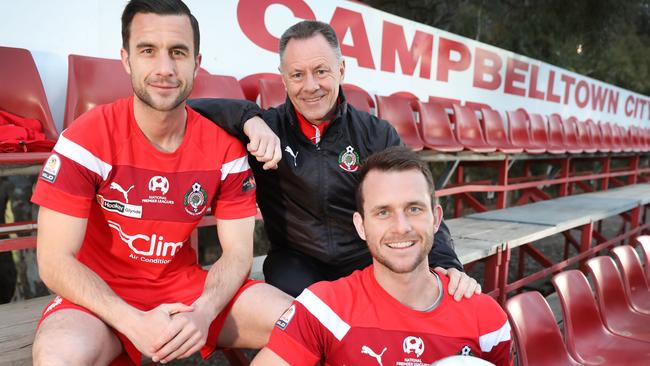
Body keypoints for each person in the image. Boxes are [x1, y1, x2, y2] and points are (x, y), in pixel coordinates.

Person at [30, 1, 291, 365]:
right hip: (100, 297)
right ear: (127, 59)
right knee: (58, 356)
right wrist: (131, 321)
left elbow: (237, 254)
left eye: (178, 52)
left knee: (297, 325)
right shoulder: (86, 139)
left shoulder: (224, 149)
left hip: (187, 290)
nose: (164, 68)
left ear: (196, 63)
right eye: (148, 51)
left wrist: (204, 311)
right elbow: (54, 261)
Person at [189, 20, 479, 298]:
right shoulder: (266, 129)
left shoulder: (376, 133)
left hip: (365, 255)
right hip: (296, 260)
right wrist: (247, 117)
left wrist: (445, 261)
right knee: (303, 315)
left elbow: (418, 200)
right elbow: (187, 110)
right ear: (283, 78)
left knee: (399, 297)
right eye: (297, 75)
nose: (310, 86)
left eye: (321, 71)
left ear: (341, 69)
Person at [251, 147, 513, 366]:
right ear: (361, 226)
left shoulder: (486, 319)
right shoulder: (324, 309)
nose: (401, 227)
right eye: (383, 212)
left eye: (413, 208)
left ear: (436, 219)